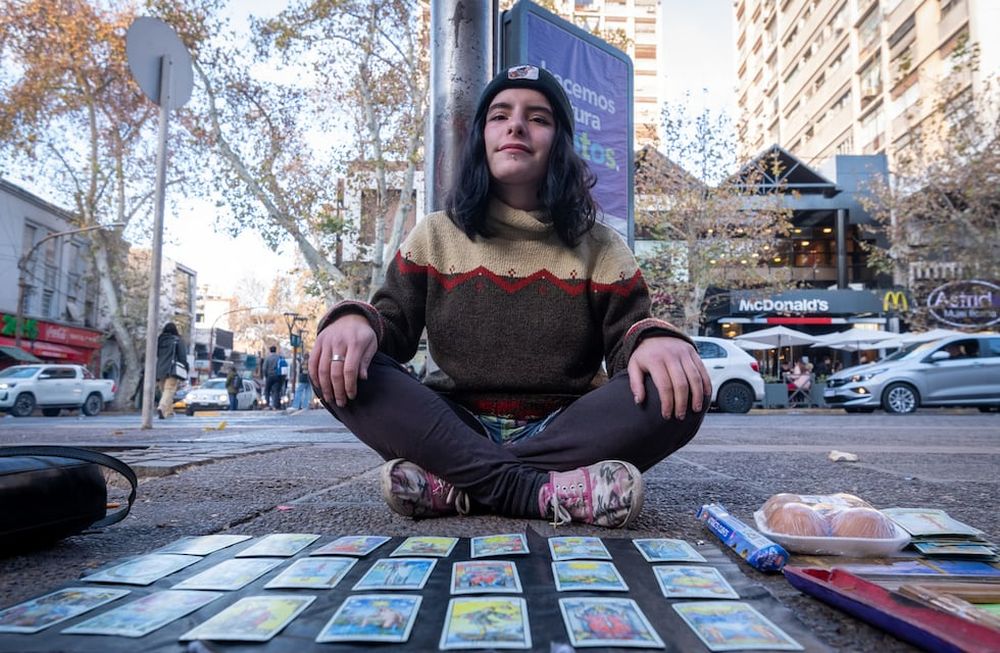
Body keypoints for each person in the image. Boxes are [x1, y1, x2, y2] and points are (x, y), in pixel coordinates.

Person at [309, 64, 711, 529]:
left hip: (564, 428)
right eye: (500, 115)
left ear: (559, 143)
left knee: (682, 391)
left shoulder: (601, 245)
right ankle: (537, 491)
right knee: (334, 361)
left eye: (538, 118)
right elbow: (391, 327)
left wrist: (654, 339)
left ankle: (461, 483)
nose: (516, 125)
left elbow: (628, 342)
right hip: (452, 425)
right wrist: (354, 321)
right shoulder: (434, 235)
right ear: (482, 136)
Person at [155, 322, 187, 419]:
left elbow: (157, 354)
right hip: (172, 369)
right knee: (169, 390)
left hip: (160, 369)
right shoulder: (177, 340)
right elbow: (182, 356)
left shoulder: (159, 340)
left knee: (164, 391)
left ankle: (168, 412)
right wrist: (185, 367)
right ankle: (162, 407)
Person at [262, 346, 282, 410]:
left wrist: (265, 375)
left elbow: (264, 368)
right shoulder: (279, 357)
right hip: (277, 376)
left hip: (269, 376)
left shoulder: (268, 358)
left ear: (270, 350)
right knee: (276, 391)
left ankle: (267, 404)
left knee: (267, 390)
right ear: (275, 350)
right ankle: (275, 405)